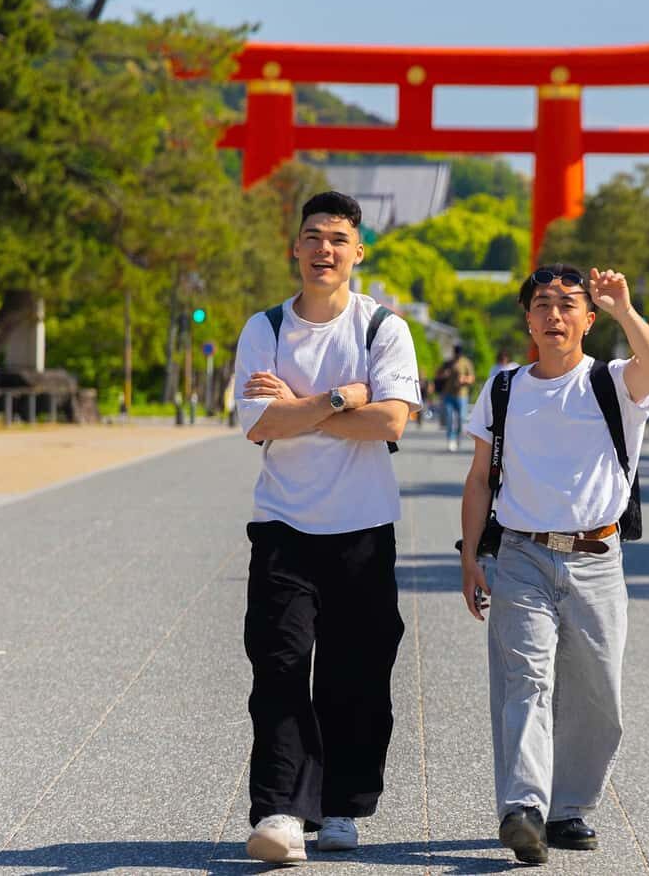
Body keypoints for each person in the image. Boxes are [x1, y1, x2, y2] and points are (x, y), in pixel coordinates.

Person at [234, 191, 422, 864]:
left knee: (357, 673)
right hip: (282, 526)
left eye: (338, 239)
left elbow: (393, 422)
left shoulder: (383, 330)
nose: (324, 250)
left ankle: (341, 806)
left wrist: (299, 409)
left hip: (363, 531)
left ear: (358, 252)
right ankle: (281, 811)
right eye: (313, 236)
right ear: (295, 247)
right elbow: (257, 424)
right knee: (279, 666)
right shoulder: (265, 328)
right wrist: (343, 397)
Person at [460, 263, 649, 865]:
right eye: (542, 304)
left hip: (598, 558)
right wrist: (471, 555)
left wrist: (627, 309)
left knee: (598, 696)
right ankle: (522, 808)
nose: (554, 314)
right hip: (522, 553)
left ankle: (569, 807)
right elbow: (478, 479)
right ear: (528, 318)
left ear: (588, 319)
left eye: (568, 304)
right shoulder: (503, 388)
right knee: (525, 680)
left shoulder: (615, 383)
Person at [440, 343, 475, 452]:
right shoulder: (448, 363)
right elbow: (438, 375)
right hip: (448, 394)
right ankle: (451, 439)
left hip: (461, 395)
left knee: (461, 418)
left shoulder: (466, 363)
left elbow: (472, 378)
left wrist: (464, 379)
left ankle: (458, 437)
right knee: (449, 418)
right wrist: (445, 374)